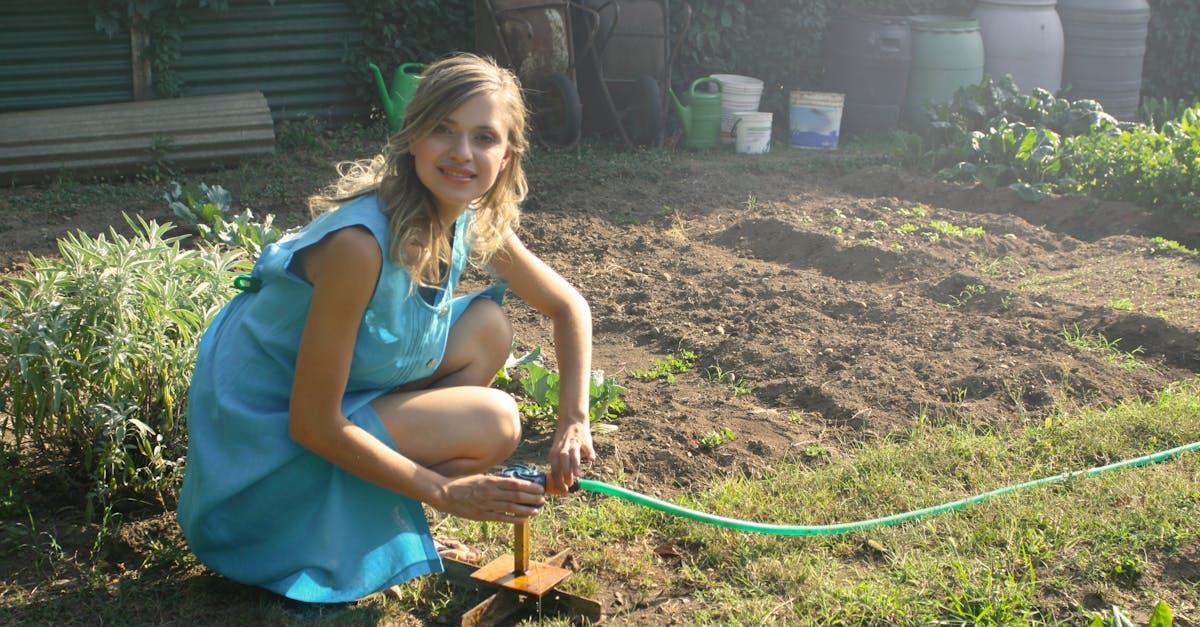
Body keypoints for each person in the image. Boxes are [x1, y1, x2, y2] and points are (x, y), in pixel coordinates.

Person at [176, 53, 596, 603]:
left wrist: (575, 423)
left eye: (483, 137)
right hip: (260, 464)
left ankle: (376, 499)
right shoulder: (360, 245)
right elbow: (310, 423)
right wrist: (445, 491)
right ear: (413, 137)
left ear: (506, 155)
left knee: (488, 326)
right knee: (495, 419)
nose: (462, 152)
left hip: (326, 409)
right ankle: (347, 517)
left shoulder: (465, 214)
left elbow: (568, 306)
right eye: (443, 129)